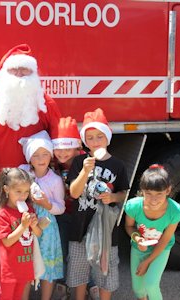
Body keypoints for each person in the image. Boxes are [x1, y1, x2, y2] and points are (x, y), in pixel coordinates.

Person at [0, 43, 61, 295]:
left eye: (25, 72)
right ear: (3, 73)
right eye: (15, 71)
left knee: (28, 240)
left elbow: (61, 145)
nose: (20, 78)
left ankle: (22, 288)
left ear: (34, 75)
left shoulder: (45, 103)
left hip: (31, 189)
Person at [67, 108, 129, 300]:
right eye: (90, 137)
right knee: (78, 270)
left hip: (106, 230)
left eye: (99, 136)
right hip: (80, 228)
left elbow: (123, 194)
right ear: (85, 141)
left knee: (106, 269)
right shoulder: (79, 162)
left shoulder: (117, 165)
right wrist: (85, 172)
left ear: (108, 138)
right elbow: (74, 193)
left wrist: (113, 198)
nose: (95, 142)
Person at [124, 164, 180, 300]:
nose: (154, 199)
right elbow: (129, 227)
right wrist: (138, 239)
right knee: (138, 289)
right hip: (139, 248)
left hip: (161, 249)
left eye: (159, 194)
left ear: (168, 190)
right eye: (148, 194)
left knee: (151, 284)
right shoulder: (133, 206)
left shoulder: (175, 211)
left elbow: (165, 239)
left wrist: (147, 262)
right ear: (142, 191)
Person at [18, 130, 65, 300]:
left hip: (47, 227)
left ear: (51, 156)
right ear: (29, 157)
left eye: (45, 154)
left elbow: (61, 207)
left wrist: (46, 204)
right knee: (25, 264)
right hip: (24, 222)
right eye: (36, 155)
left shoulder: (55, 180)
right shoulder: (22, 172)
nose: (41, 159)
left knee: (47, 264)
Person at [0, 168, 42, 300]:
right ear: (6, 190)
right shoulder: (3, 213)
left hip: (25, 266)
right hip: (9, 269)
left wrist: (34, 225)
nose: (23, 196)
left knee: (18, 297)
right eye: (18, 191)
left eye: (26, 192)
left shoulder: (29, 209)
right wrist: (23, 226)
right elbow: (6, 241)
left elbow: (38, 233)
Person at [50, 116, 83, 298]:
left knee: (80, 250)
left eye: (67, 148)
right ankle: (62, 282)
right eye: (58, 149)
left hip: (80, 214)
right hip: (61, 214)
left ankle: (87, 283)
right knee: (61, 248)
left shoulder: (85, 160)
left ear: (77, 146)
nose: (62, 153)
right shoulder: (52, 162)